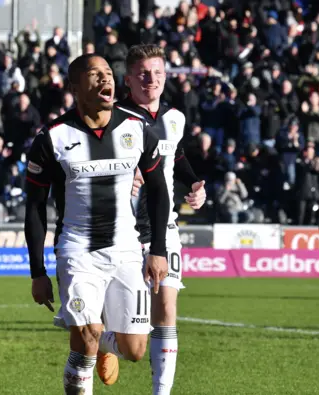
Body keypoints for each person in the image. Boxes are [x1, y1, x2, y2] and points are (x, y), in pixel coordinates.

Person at [24, 54, 170, 395]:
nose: (106, 79)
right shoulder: (52, 137)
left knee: (134, 350)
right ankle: (93, 343)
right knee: (85, 340)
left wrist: (158, 250)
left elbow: (159, 191)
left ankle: (107, 343)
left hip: (126, 250)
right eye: (95, 74)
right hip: (77, 252)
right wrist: (37, 271)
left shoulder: (137, 127)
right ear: (75, 87)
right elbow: (34, 207)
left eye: (109, 73)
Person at [113, 44, 206, 395]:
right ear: (129, 79)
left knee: (166, 306)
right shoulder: (113, 116)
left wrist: (195, 183)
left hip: (164, 227)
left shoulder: (175, 118)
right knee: (123, 331)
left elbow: (176, 156)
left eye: (157, 72)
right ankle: (103, 341)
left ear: (166, 76)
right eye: (142, 73)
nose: (150, 79)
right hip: (120, 228)